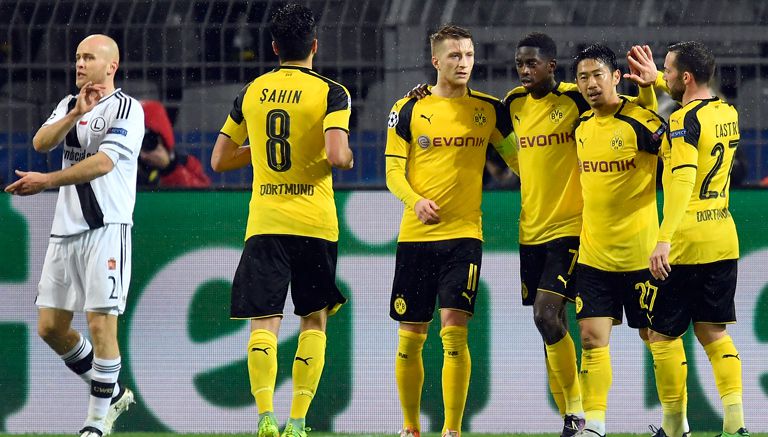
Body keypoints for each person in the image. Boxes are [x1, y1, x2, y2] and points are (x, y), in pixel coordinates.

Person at [503, 33, 663, 437]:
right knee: (549, 323)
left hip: (574, 229)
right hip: (530, 230)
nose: (525, 70)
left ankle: (594, 417)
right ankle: (578, 418)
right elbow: (498, 140)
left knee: (550, 313)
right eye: (520, 63)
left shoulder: (580, 98)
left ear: (553, 67)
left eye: (533, 63)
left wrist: (650, 86)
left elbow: (639, 120)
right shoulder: (512, 104)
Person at [209, 4, 353, 437]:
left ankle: (265, 416)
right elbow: (335, 154)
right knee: (313, 319)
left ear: (273, 47)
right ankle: (298, 421)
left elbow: (218, 160)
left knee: (264, 321)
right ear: (314, 45)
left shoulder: (252, 91)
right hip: (314, 222)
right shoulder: (333, 91)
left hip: (266, 221)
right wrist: (346, 158)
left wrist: (262, 147)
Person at [4, 34, 142, 437]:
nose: (79, 64)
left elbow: (101, 164)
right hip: (64, 231)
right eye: (77, 56)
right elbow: (41, 142)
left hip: (106, 228)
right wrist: (73, 115)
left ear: (111, 66)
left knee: (101, 325)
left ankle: (96, 423)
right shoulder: (68, 104)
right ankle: (112, 393)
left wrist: (46, 180)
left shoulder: (128, 110)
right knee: (49, 327)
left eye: (89, 57)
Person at [385, 25, 516, 437]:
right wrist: (415, 201)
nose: (464, 63)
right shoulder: (407, 108)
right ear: (436, 61)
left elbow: (521, 163)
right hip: (416, 236)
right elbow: (391, 171)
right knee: (411, 337)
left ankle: (452, 430)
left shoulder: (490, 110)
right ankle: (409, 427)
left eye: (470, 55)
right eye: (455, 55)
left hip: (464, 235)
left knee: (454, 333)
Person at [634, 41, 748, 437]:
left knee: (662, 336)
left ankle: (673, 426)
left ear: (685, 77)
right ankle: (735, 423)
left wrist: (663, 238)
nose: (662, 76)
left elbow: (682, 180)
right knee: (713, 332)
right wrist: (658, 84)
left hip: (686, 238)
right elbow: (693, 110)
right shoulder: (726, 111)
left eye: (666, 70)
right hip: (723, 234)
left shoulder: (682, 121)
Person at [568, 44, 667, 437]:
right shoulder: (582, 128)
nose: (591, 84)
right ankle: (594, 426)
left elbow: (678, 160)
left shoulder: (641, 121)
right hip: (594, 256)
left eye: (597, 75)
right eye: (582, 77)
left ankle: (676, 423)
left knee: (657, 339)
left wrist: (652, 87)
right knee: (592, 339)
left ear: (614, 76)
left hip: (642, 255)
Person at [138, 99, 211, 188]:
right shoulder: (125, 163)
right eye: (137, 143)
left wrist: (168, 168)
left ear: (163, 140)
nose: (143, 155)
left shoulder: (187, 164)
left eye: (149, 141)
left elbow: (202, 197)